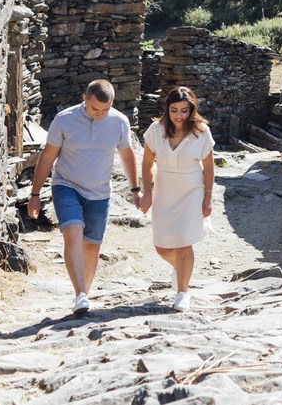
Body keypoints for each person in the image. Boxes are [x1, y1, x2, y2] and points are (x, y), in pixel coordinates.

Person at [27, 79, 140, 315]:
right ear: (84, 99)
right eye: (94, 109)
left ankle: (84, 295)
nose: (99, 114)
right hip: (66, 185)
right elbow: (48, 157)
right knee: (73, 233)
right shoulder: (64, 120)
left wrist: (135, 189)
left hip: (100, 192)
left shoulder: (119, 122)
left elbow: (127, 156)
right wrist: (35, 194)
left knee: (92, 247)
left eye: (105, 110)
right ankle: (79, 294)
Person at [138, 86, 215, 311]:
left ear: (192, 110)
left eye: (184, 110)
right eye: (174, 110)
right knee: (161, 246)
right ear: (167, 109)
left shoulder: (201, 132)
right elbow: (146, 164)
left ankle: (183, 292)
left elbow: (209, 167)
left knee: (184, 241)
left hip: (192, 191)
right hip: (164, 191)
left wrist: (207, 197)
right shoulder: (155, 130)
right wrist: (148, 193)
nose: (179, 115)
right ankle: (182, 269)